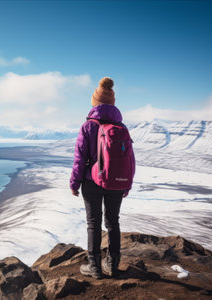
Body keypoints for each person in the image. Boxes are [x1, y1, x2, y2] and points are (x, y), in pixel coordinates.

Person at [70, 77, 134, 279]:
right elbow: (130, 160)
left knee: (93, 223)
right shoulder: (121, 127)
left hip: (92, 182)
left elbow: (80, 159)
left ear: (94, 102)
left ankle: (95, 267)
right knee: (113, 222)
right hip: (116, 182)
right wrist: (127, 184)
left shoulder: (88, 126)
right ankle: (113, 264)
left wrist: (74, 183)